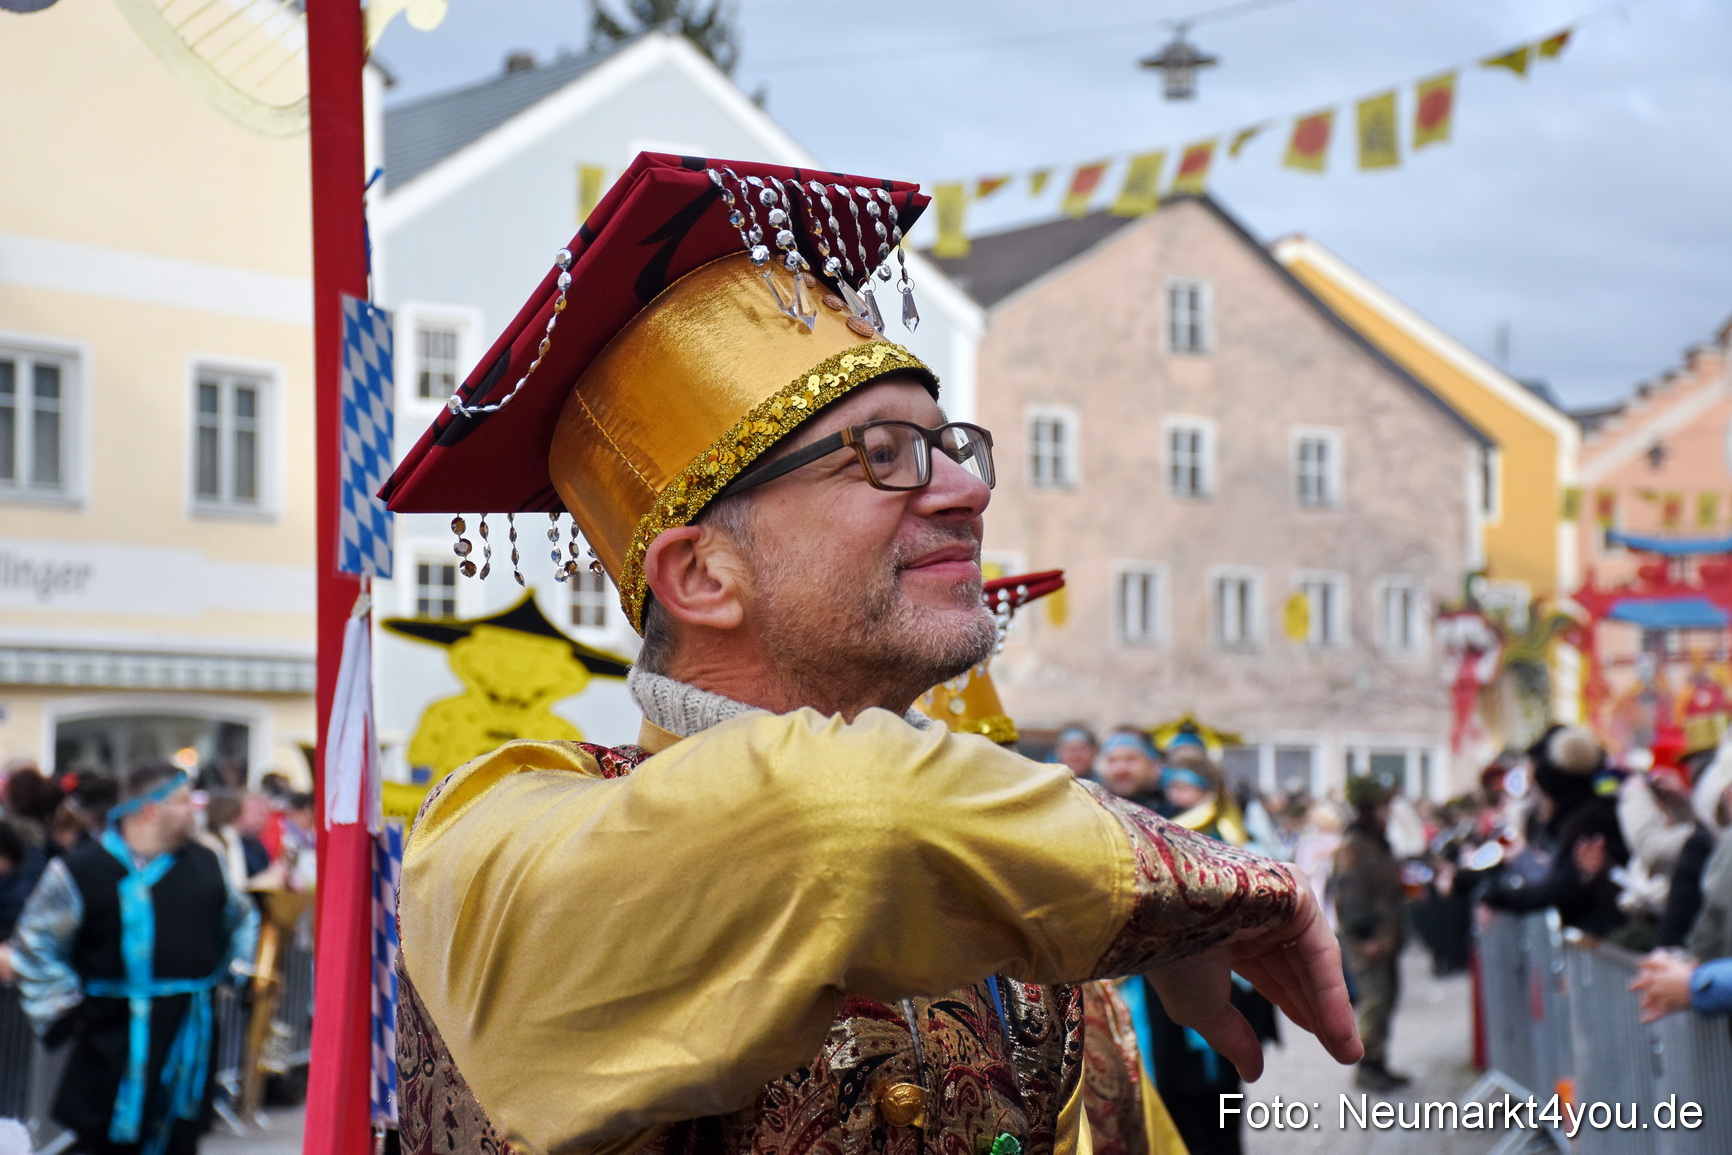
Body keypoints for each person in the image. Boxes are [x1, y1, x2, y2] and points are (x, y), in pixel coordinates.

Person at [384, 153, 1359, 1155]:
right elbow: (844, 818)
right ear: (704, 576)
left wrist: (1148, 907)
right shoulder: (493, 843)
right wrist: (1200, 889)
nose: (966, 491)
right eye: (884, 455)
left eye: (950, 447)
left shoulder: (1043, 933)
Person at [12, 761, 257, 1155]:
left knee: (179, 1136)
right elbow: (35, 943)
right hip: (110, 1035)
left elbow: (240, 918)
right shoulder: (80, 869)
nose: (195, 809)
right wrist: (66, 1008)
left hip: (188, 1032)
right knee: (104, 1139)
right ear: (150, 808)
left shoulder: (206, 863)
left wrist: (235, 970)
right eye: (183, 801)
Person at [1332, 776, 1411, 1092]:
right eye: (1385, 806)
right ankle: (1367, 1067)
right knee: (1375, 1001)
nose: (1389, 812)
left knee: (1388, 998)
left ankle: (1379, 1060)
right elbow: (1350, 894)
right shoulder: (1356, 845)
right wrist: (1366, 935)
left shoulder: (1377, 840)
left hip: (1385, 935)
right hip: (1367, 937)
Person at [1098, 729, 1165, 810]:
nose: (1121, 769)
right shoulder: (1096, 809)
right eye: (1112, 760)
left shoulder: (1173, 808)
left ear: (1153, 765)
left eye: (1131, 759)